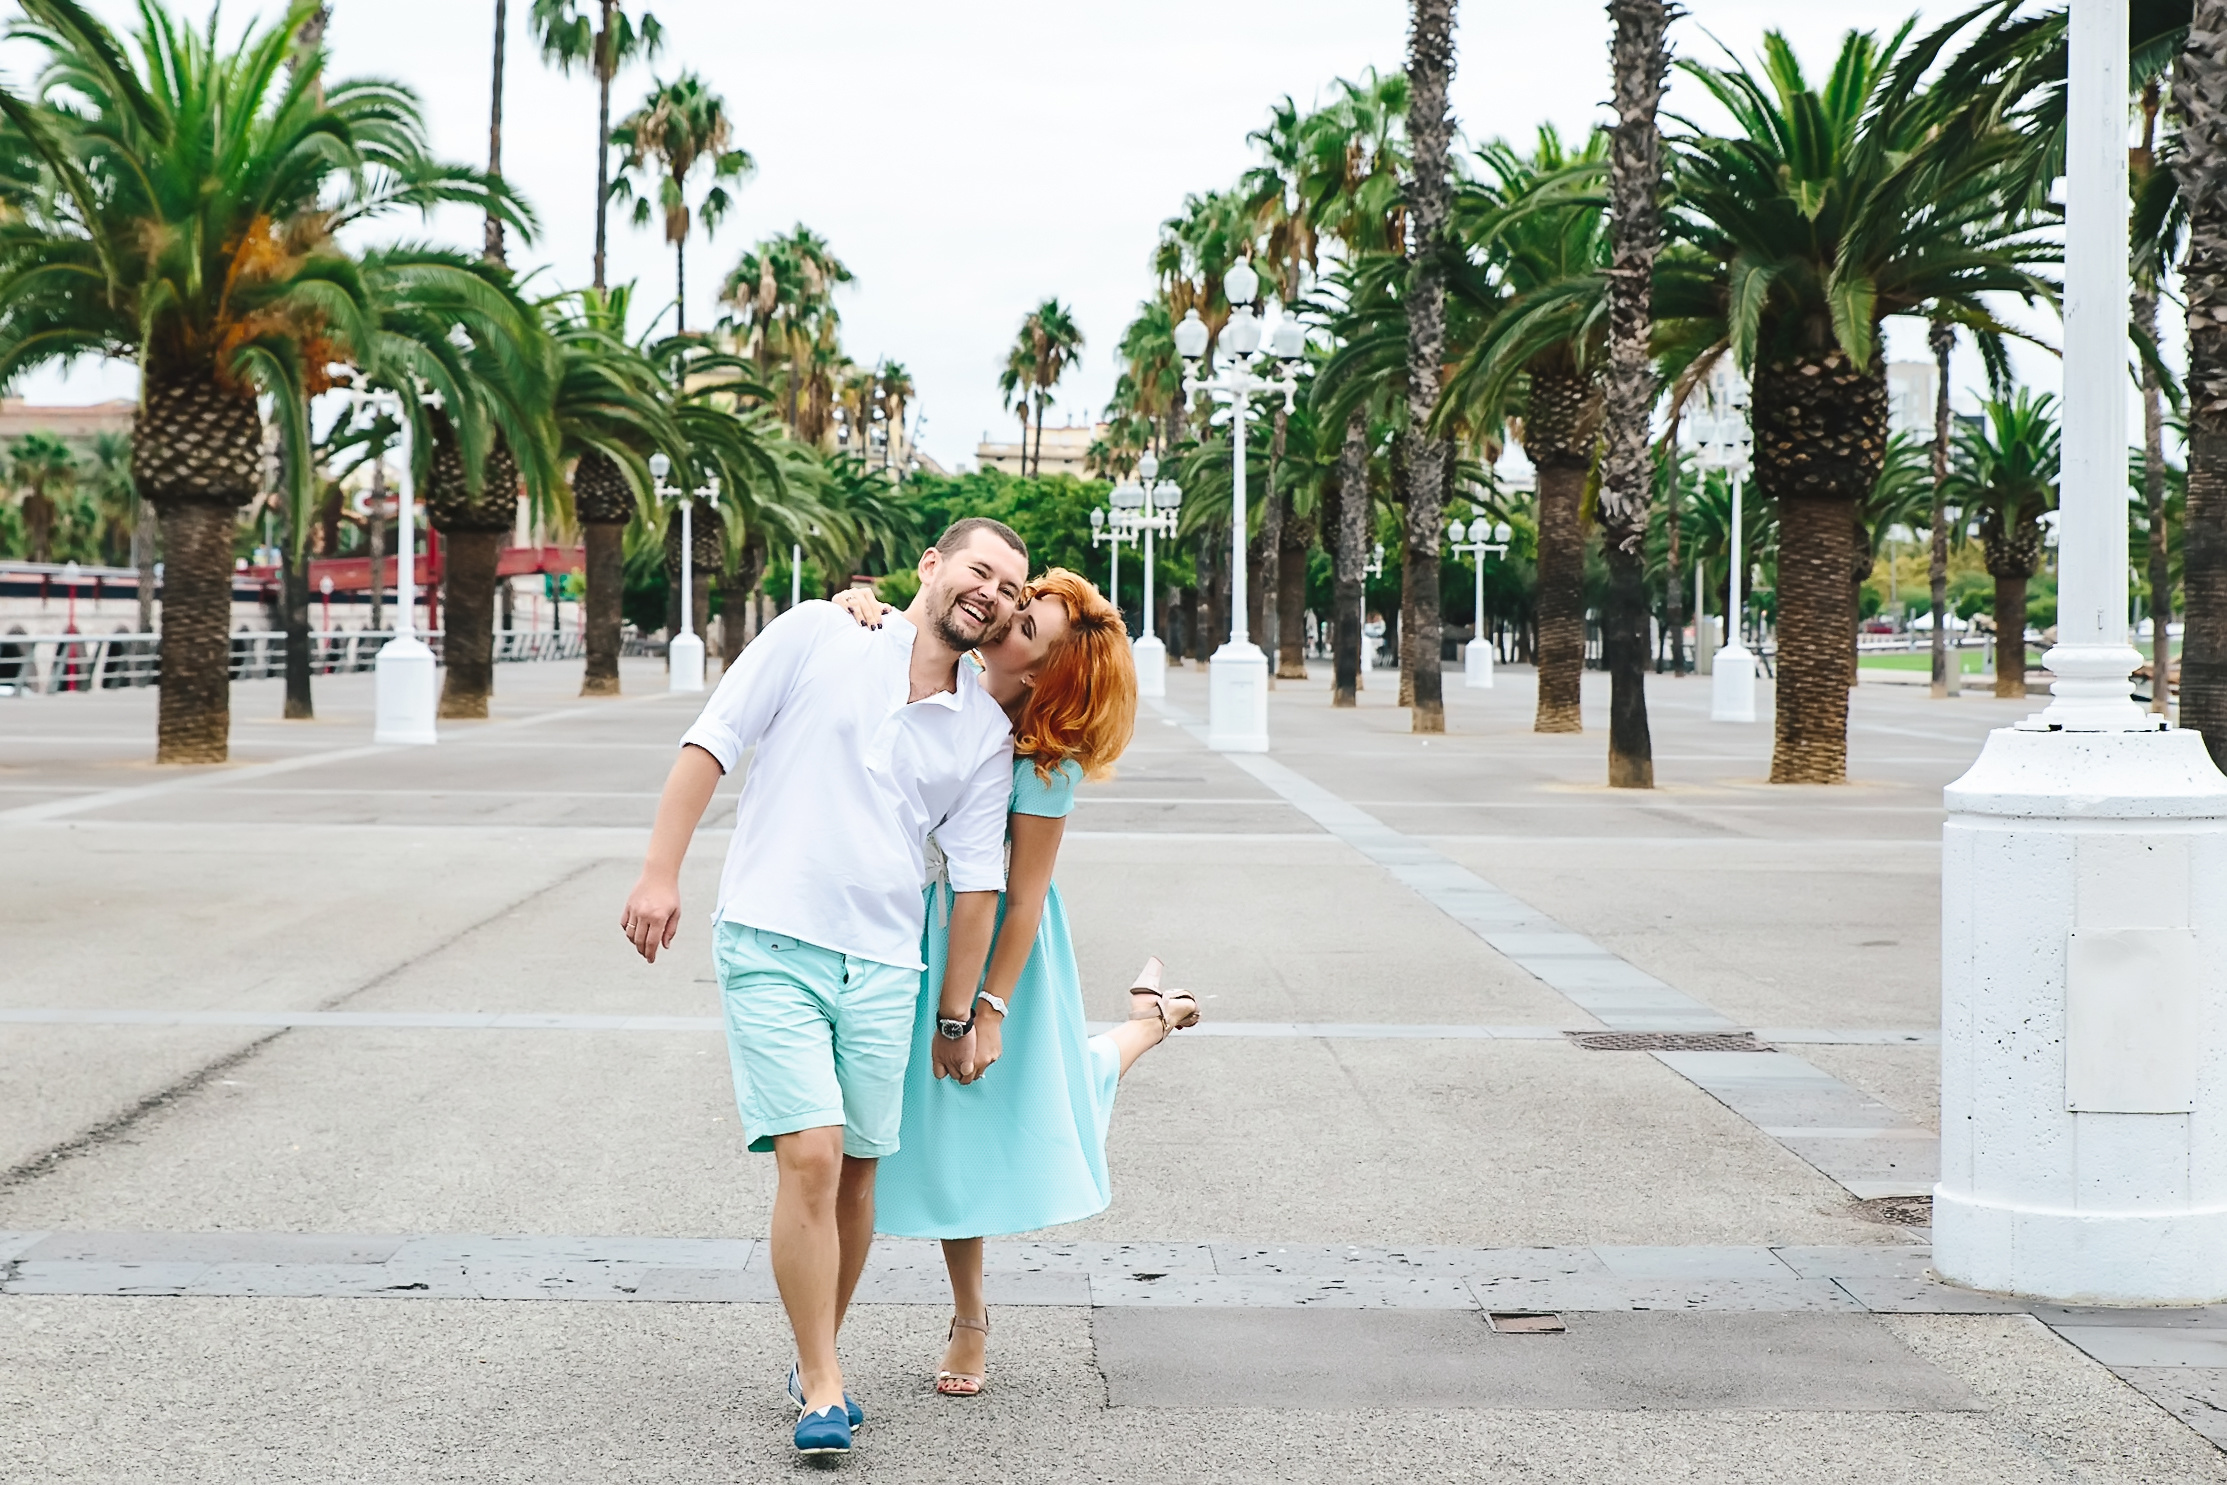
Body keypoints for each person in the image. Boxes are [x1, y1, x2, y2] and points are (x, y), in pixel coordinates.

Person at [620, 518, 1028, 1458]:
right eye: (979, 570)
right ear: (931, 565)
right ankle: (824, 1385)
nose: (991, 593)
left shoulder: (982, 730)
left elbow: (978, 883)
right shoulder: (818, 631)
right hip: (771, 935)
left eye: (1009, 588)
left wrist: (957, 1015)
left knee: (857, 1171)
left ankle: (816, 1359)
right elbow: (713, 740)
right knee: (810, 1153)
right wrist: (659, 873)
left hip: (885, 963)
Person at [832, 568, 1200, 1398]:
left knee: (962, 1123)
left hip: (994, 947)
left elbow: (1025, 895)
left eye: (1027, 627)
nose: (1007, 616)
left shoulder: (1043, 759)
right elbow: (891, 639)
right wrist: (857, 607)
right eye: (1022, 604)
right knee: (1064, 1081)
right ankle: (1154, 1015)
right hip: (901, 924)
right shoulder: (946, 671)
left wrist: (986, 1008)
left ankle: (969, 1317)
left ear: (1039, 674)